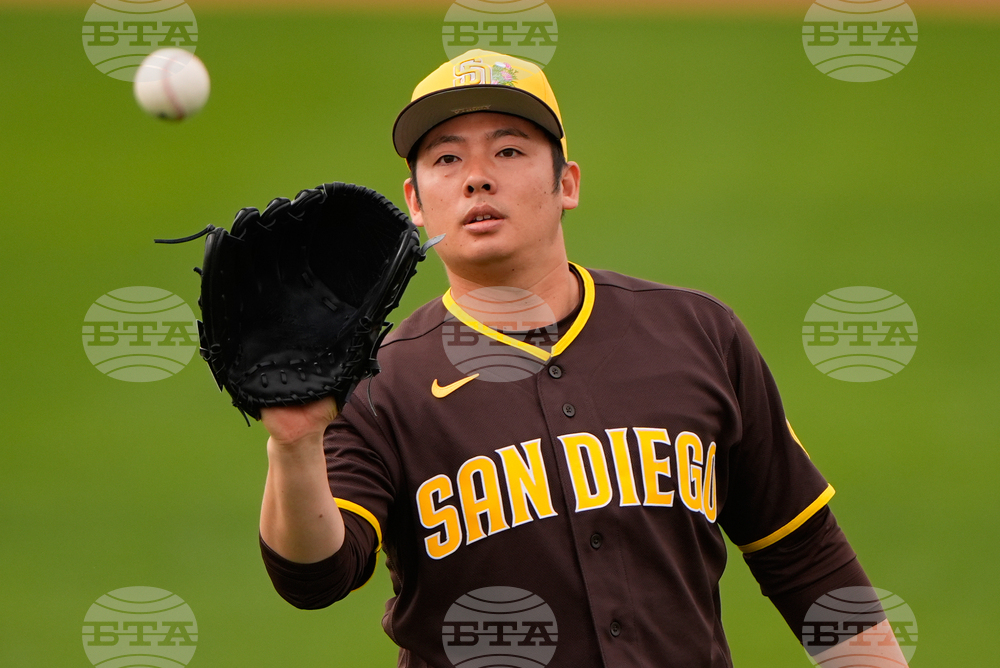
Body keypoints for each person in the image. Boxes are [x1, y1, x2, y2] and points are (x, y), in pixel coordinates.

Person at [257, 49, 909, 667]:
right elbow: (314, 577)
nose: (478, 175)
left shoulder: (699, 333)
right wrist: (293, 445)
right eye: (447, 159)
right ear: (417, 204)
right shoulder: (380, 381)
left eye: (509, 150)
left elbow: (804, 555)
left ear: (566, 182)